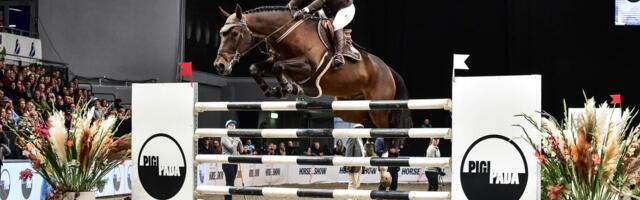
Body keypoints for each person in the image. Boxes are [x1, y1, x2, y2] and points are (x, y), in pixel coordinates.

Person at [290, 0, 355, 68]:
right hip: (328, 9)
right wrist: (288, 7)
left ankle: (339, 54)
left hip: (345, 9)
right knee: (309, 18)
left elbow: (320, 1)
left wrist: (303, 10)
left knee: (336, 25)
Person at [220, 120, 243, 200]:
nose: (233, 126)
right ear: (227, 126)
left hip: (234, 162)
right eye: (230, 125)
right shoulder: (224, 136)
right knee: (229, 183)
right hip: (227, 162)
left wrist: (239, 141)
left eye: (234, 125)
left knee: (231, 183)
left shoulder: (235, 137)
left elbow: (241, 150)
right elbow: (231, 148)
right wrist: (236, 140)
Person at [345, 124, 366, 190]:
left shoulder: (360, 139)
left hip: (360, 164)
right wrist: (349, 164)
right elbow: (349, 150)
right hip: (353, 164)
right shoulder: (352, 137)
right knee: (352, 183)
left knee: (357, 183)